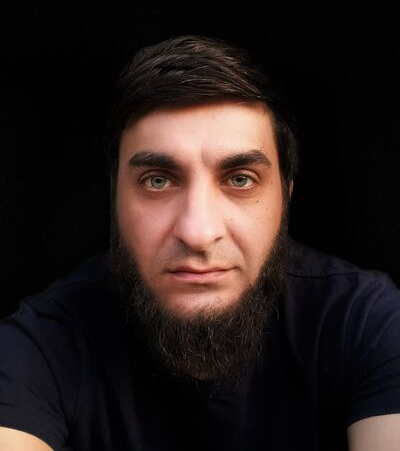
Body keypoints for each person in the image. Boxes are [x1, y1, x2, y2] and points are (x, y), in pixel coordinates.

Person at [0, 35, 399, 451]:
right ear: (114, 199)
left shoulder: (364, 321)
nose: (198, 232)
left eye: (240, 179)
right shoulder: (38, 346)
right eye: (158, 181)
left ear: (286, 197)